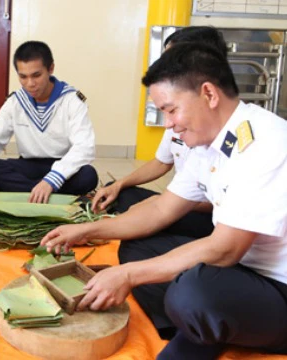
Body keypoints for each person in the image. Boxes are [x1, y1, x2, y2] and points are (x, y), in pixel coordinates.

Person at [41, 43, 287, 359]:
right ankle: (208, 324)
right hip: (245, 272)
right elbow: (161, 209)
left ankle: (206, 323)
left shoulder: (265, 143)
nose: (168, 123)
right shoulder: (207, 144)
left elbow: (225, 248)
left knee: (191, 292)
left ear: (209, 95)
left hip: (278, 286)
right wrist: (88, 230)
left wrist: (129, 276)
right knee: (135, 248)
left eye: (171, 110)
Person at [92, 26, 228, 239]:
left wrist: (161, 202)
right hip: (179, 200)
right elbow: (162, 162)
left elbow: (219, 202)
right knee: (119, 194)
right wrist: (119, 184)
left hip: (204, 214)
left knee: (141, 235)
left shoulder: (226, 127)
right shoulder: (179, 112)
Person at [0, 40, 98, 204]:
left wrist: (51, 181)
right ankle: (45, 195)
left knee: (88, 175)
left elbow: (84, 147)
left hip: (61, 166)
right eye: (23, 77)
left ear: (50, 69)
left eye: (36, 75)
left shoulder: (71, 100)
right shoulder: (16, 102)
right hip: (28, 166)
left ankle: (30, 193)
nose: (30, 84)